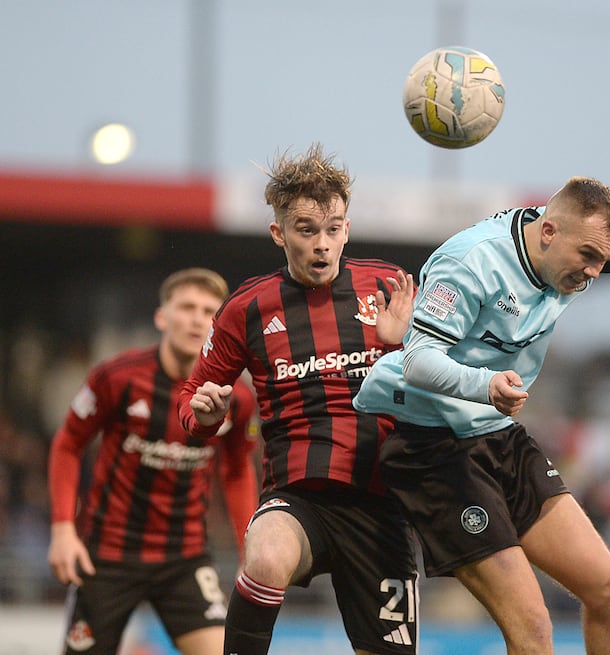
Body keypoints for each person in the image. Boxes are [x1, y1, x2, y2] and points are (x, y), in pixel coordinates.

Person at [353, 176, 610, 655]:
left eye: (603, 260)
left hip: (497, 434)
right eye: (587, 256)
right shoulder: (471, 263)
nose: (594, 273)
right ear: (548, 232)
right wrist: (484, 385)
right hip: (430, 447)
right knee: (534, 626)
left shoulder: (584, 246)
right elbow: (419, 360)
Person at [177, 143, 419, 655]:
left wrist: (402, 345)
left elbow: (434, 387)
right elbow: (191, 396)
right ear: (279, 233)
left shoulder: (386, 288)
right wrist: (205, 417)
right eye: (306, 230)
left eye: (333, 229)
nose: (321, 245)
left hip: (382, 502)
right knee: (265, 557)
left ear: (347, 230)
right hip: (298, 497)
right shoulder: (246, 307)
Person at [48, 268, 258, 655]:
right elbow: (67, 444)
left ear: (220, 325)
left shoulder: (237, 399)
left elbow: (236, 470)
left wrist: (250, 549)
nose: (197, 319)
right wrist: (63, 529)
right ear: (162, 316)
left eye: (209, 311)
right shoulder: (116, 378)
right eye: (187, 307)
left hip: (185, 557)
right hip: (107, 557)